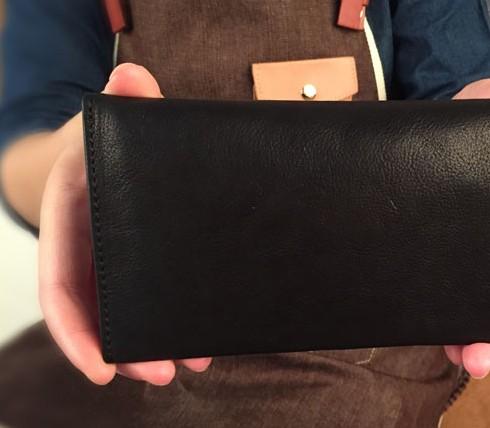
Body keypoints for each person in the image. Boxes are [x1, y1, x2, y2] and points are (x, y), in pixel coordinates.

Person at [1, 0, 490, 426]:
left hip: (368, 335)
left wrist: (478, 147)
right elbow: (24, 137)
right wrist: (88, 157)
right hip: (150, 311)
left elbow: (458, 97)